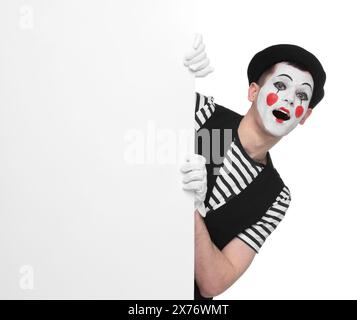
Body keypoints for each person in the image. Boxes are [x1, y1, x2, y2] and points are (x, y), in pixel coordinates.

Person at [180, 34, 326, 300]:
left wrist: (189, 209)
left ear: (304, 116)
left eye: (302, 95)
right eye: (281, 85)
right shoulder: (201, 112)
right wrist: (174, 68)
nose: (291, 99)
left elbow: (213, 283)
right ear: (253, 91)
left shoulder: (276, 197)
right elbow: (128, 103)